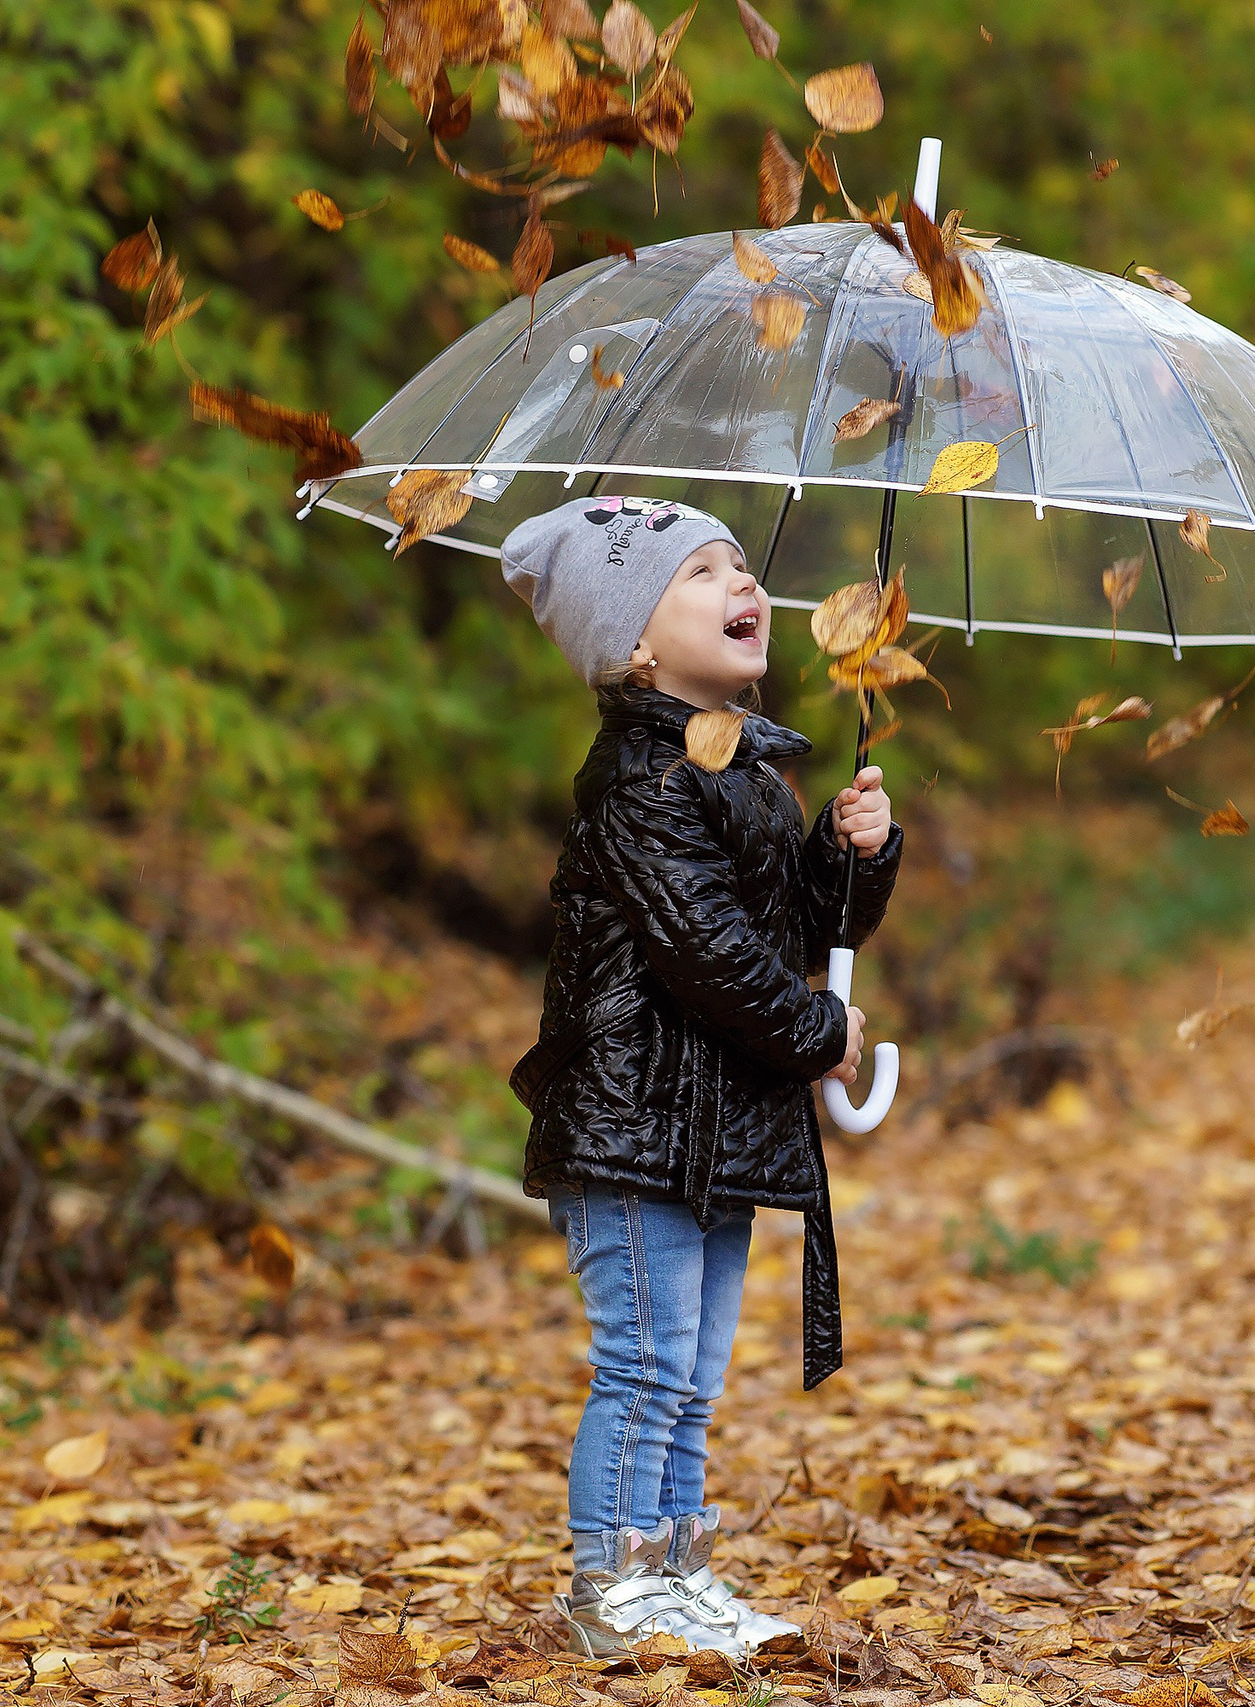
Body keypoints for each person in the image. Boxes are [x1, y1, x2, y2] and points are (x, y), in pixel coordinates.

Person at [500, 495, 902, 1658]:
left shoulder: (738, 772)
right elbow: (710, 954)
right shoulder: (642, 781)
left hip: (711, 1130)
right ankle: (608, 1591)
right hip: (633, 1130)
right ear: (633, 645)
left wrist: (845, 854)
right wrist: (819, 1030)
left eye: (742, 566)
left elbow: (790, 923)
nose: (745, 586)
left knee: (690, 1376)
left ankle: (675, 1574)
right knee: (642, 1364)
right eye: (701, 574)